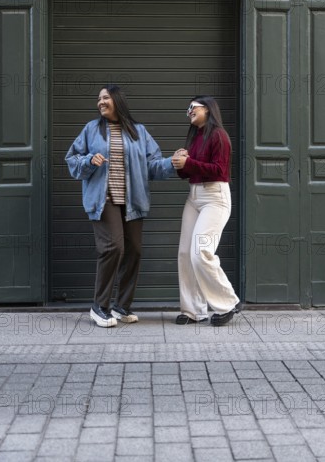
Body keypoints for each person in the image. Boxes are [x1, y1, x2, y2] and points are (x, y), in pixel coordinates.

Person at [65, 84, 174, 328]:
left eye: (105, 98)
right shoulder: (91, 130)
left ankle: (121, 306)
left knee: (133, 250)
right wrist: (89, 161)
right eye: (99, 99)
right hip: (104, 200)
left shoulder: (139, 131)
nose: (100, 102)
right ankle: (99, 306)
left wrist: (172, 163)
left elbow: (153, 165)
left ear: (117, 100)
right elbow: (72, 160)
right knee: (113, 247)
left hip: (133, 200)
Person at [172, 96, 241, 326]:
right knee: (185, 253)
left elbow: (218, 170)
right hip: (194, 197)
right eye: (187, 108)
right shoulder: (196, 137)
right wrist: (180, 162)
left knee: (200, 251)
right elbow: (188, 173)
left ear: (208, 109)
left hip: (214, 197)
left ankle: (228, 303)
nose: (189, 111)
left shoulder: (218, 135)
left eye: (193, 107)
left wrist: (189, 163)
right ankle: (193, 310)